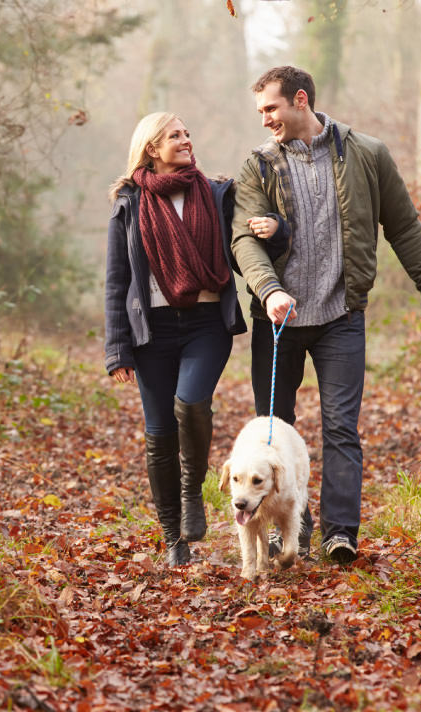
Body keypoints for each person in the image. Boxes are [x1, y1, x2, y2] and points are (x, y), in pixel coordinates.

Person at [231, 65, 421, 565]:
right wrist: (268, 291)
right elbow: (243, 239)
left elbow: (405, 227)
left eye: (272, 108)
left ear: (301, 100)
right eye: (261, 111)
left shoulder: (367, 154)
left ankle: (339, 534)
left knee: (341, 430)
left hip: (341, 317)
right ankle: (281, 533)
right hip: (278, 321)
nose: (265, 119)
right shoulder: (258, 166)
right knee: (274, 431)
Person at [104, 112, 289, 567]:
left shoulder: (215, 193)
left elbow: (248, 246)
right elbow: (116, 279)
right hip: (152, 331)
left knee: (190, 402)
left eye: (187, 133)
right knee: (159, 434)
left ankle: (193, 489)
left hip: (206, 323)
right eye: (175, 136)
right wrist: (118, 348)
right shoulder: (129, 202)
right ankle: (174, 539)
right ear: (152, 147)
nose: (186, 140)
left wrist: (277, 232)